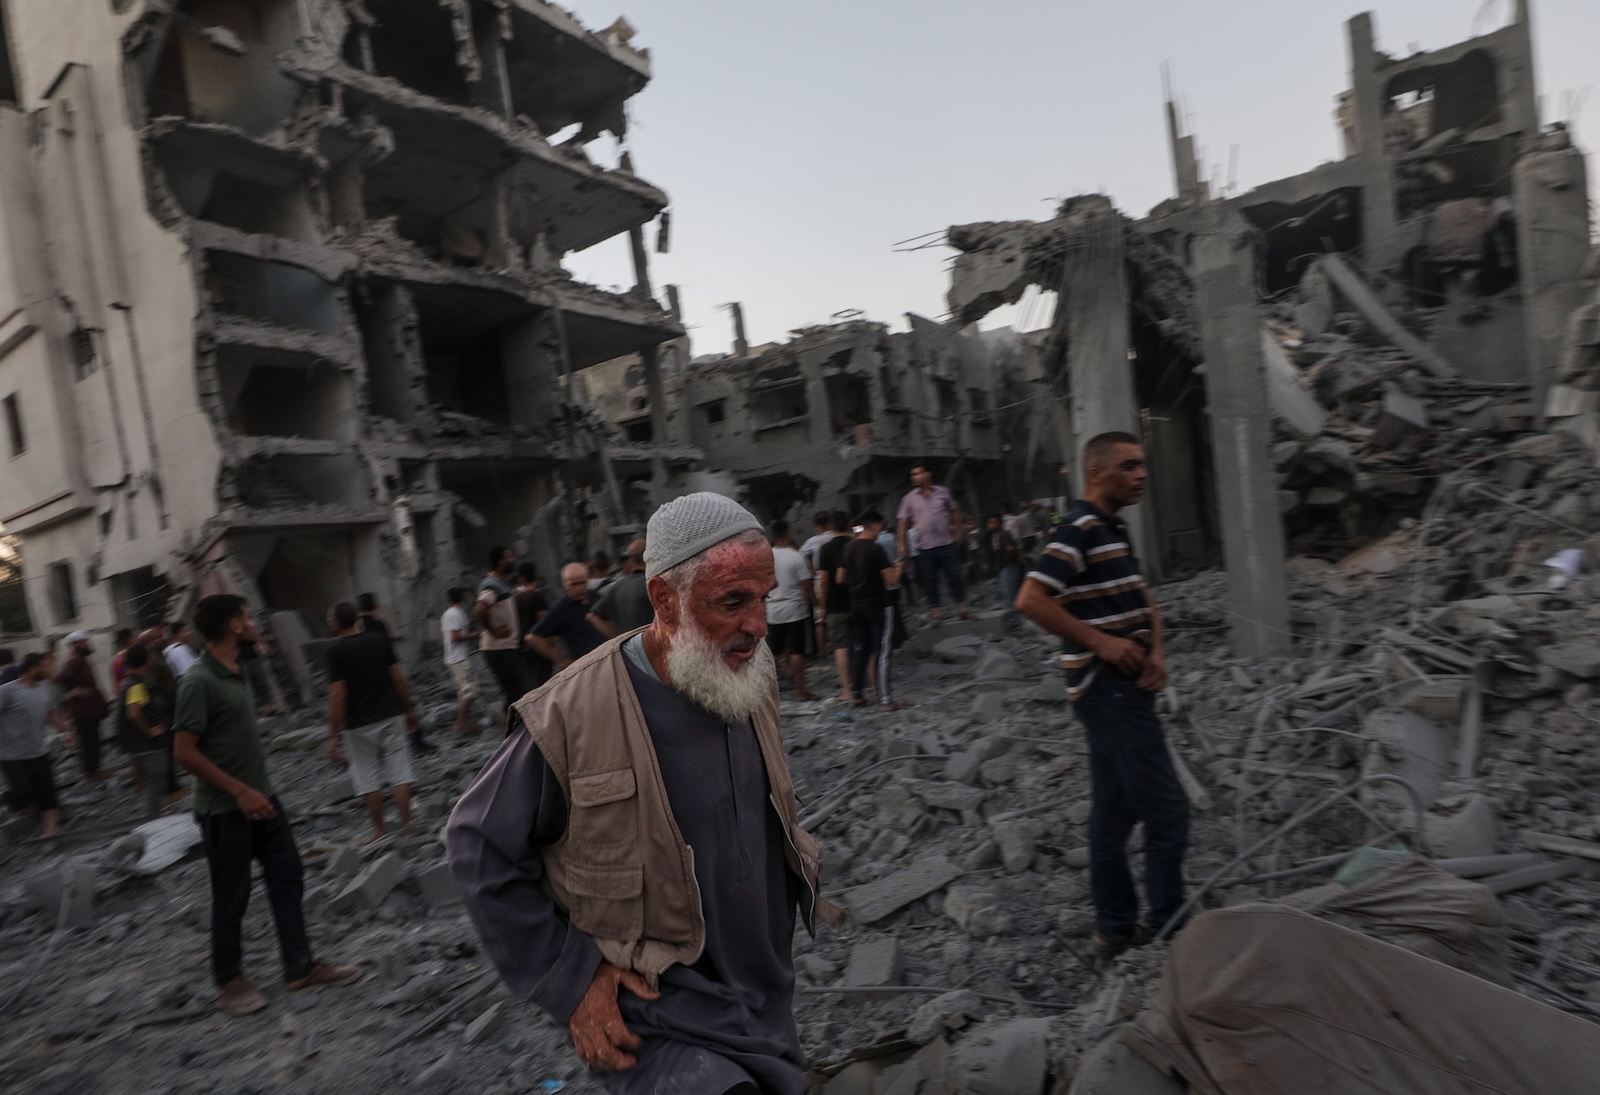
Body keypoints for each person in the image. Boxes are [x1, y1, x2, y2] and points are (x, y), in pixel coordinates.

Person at [449, 492, 838, 1093]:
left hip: (763, 994)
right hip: (660, 1010)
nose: (759, 626)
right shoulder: (570, 713)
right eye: (733, 601)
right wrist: (572, 982)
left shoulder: (747, 673)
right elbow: (476, 842)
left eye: (763, 600)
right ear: (664, 598)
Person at [1014, 431, 1186, 960]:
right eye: (1130, 466)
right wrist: (1103, 644)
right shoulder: (1079, 528)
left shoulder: (1114, 529)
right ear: (1098, 473)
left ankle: (1114, 928)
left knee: (1113, 816)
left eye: (1143, 464)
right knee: (1168, 811)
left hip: (1125, 686)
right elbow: (1031, 598)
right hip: (1107, 692)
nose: (1142, 474)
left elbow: (1144, 602)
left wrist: (1154, 653)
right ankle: (1170, 932)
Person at [173, 594, 361, 1017]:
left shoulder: (237, 670)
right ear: (234, 625)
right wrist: (238, 791)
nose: (253, 620)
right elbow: (184, 752)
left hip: (263, 799)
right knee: (232, 896)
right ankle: (229, 981)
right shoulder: (198, 680)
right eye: (246, 615)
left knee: (288, 876)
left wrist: (253, 791)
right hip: (225, 810)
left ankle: (300, 967)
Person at [325, 601, 417, 845]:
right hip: (390, 712)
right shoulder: (379, 640)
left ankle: (379, 829)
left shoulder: (334, 652)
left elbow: (338, 695)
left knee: (367, 776)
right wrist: (409, 708)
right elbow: (397, 678)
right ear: (355, 618)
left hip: (357, 724)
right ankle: (407, 823)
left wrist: (332, 735)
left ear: (335, 622)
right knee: (399, 770)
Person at [0, 653, 69, 837]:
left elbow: (50, 714)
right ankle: (7, 798)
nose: (49, 671)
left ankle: (51, 830)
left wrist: (65, 729)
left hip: (38, 749)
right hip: (11, 754)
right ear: (32, 669)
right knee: (25, 793)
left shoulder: (45, 688)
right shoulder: (8, 691)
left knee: (48, 791)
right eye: (44, 667)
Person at [839, 511, 903, 711]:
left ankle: (857, 694)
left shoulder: (847, 548)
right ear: (874, 526)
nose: (880, 531)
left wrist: (859, 581)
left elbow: (840, 578)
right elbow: (891, 580)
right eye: (880, 527)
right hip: (878, 605)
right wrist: (899, 567)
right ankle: (885, 699)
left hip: (856, 605)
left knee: (861, 651)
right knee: (882, 651)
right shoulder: (876, 549)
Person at [896, 465, 969, 622]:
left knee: (955, 576)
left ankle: (962, 607)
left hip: (947, 543)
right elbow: (902, 523)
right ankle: (936, 612)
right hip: (925, 547)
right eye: (912, 474)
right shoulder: (908, 499)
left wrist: (959, 531)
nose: (914, 477)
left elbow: (955, 510)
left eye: (917, 473)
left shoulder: (943, 492)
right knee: (930, 580)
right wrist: (901, 544)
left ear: (928, 474)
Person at [477, 546, 533, 722]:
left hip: (506, 646)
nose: (513, 559)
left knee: (517, 689)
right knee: (513, 690)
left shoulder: (501, 583)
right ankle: (508, 732)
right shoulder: (490, 584)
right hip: (498, 648)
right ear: (500, 562)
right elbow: (480, 608)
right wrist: (493, 630)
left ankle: (515, 730)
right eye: (509, 557)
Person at [119, 644, 171, 820]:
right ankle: (152, 820)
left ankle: (154, 814)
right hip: (147, 743)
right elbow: (133, 713)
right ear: (146, 661)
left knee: (150, 782)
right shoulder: (135, 684)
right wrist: (149, 731)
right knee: (155, 781)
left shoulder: (131, 681)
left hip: (138, 742)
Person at [765, 520, 814, 701]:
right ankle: (801, 691)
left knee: (774, 653)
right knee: (796, 652)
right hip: (795, 609)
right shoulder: (796, 556)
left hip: (773, 610)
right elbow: (806, 585)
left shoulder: (767, 556)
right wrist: (815, 603)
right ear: (789, 534)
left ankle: (769, 695)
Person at [527, 564, 609, 671]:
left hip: (608, 659)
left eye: (582, 583)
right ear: (565, 585)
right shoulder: (561, 608)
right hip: (586, 668)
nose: (579, 588)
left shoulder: (595, 596)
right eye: (573, 584)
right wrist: (562, 660)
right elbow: (532, 638)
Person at [56, 630, 110, 782]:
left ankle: (95, 769)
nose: (87, 644)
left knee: (94, 739)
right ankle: (91, 772)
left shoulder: (80, 659)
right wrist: (74, 693)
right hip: (84, 710)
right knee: (89, 741)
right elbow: (60, 678)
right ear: (75, 644)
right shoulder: (73, 661)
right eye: (84, 642)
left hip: (90, 709)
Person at [815, 510, 854, 701]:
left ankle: (847, 688)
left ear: (831, 526)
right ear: (848, 525)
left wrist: (822, 605)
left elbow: (823, 581)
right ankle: (868, 682)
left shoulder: (826, 549)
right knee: (863, 642)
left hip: (836, 604)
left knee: (840, 646)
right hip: (858, 600)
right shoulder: (856, 544)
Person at [589, 540, 653, 638]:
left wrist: (618, 639)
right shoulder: (654, 585)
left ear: (631, 561)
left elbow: (593, 616)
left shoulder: (616, 587)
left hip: (628, 649)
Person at [441, 588, 480, 737]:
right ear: (462, 597)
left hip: (456, 657)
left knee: (464, 693)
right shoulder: (455, 614)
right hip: (458, 659)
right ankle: (460, 723)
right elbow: (455, 637)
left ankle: (465, 724)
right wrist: (476, 635)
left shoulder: (450, 613)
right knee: (470, 692)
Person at [799, 512, 840, 653]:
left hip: (819, 579)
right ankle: (838, 643)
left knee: (820, 618)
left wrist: (811, 568)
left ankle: (821, 650)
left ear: (815, 525)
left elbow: (801, 554)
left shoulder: (812, 541)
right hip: (838, 577)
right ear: (830, 522)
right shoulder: (836, 536)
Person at [980, 514, 1023, 637]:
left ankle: (1015, 626)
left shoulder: (1005, 535)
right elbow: (981, 540)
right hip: (1003, 569)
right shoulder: (994, 536)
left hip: (1008, 568)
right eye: (989, 523)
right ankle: (1014, 624)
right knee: (1008, 596)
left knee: (1009, 598)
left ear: (1000, 523)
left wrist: (1008, 562)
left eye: (994, 522)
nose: (991, 525)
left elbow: (1010, 549)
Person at [514, 563, 554, 692]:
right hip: (539, 646)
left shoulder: (516, 598)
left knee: (533, 684)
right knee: (546, 683)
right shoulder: (537, 596)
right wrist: (552, 644)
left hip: (524, 648)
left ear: (521, 578)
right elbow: (544, 620)